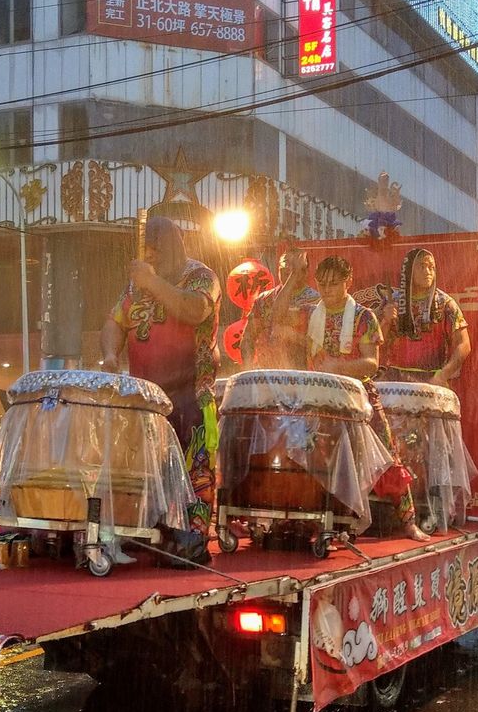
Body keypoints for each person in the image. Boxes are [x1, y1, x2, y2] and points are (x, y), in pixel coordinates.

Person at [101, 216, 221, 561]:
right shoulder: (136, 284)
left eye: (154, 251)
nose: (149, 258)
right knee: (146, 471)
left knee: (192, 469)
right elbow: (114, 321)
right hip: (146, 400)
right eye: (145, 253)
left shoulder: (202, 276)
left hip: (189, 396)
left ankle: (191, 541)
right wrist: (110, 354)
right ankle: (146, 532)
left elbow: (194, 310)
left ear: (171, 246)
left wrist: (152, 282)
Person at [306, 255, 427, 542]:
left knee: (387, 459)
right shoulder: (311, 314)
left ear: (348, 282)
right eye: (322, 284)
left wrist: (338, 367)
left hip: (359, 397)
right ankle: (319, 523)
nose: (327, 290)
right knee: (313, 459)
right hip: (320, 397)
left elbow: (371, 363)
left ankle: (409, 522)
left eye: (334, 284)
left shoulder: (363, 317)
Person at [378, 248, 471, 386]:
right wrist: (385, 322)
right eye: (422, 266)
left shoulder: (445, 303)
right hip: (395, 379)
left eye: (431, 267)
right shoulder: (391, 303)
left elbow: (464, 345)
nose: (428, 272)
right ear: (409, 271)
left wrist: (443, 375)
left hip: (433, 379)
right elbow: (375, 345)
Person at [240, 249, 318, 369]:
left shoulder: (317, 302)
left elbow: (319, 345)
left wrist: (293, 336)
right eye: (284, 267)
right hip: (267, 373)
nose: (288, 272)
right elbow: (248, 337)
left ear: (306, 272)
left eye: (294, 268)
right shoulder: (263, 300)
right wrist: (247, 368)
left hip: (303, 376)